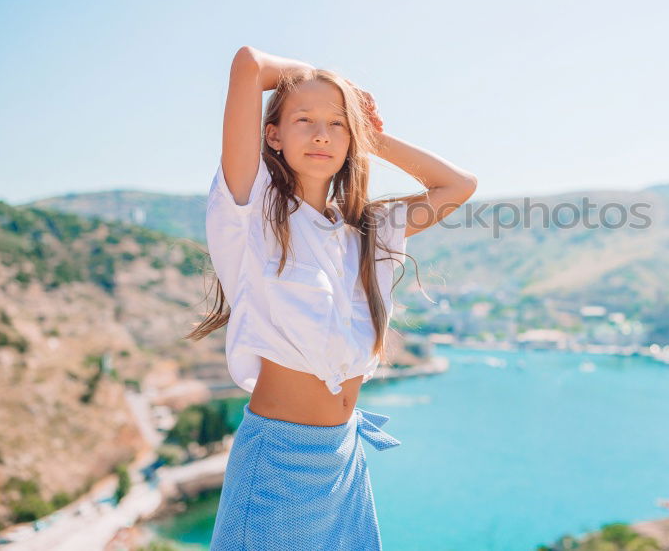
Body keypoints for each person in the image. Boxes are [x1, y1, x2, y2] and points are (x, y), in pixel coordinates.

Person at [187, 46, 478, 550]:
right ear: (271, 135)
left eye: (337, 124)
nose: (322, 134)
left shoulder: (367, 229)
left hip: (344, 456)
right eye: (304, 119)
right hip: (278, 459)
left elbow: (457, 185)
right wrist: (318, 78)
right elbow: (249, 65)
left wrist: (371, 135)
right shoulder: (249, 209)